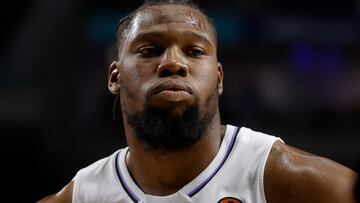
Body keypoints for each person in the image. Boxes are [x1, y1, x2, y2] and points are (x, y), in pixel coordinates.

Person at [38, 0, 358, 202]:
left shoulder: (278, 177)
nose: (173, 63)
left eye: (194, 51)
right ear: (114, 77)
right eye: (150, 50)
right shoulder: (84, 195)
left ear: (218, 79)